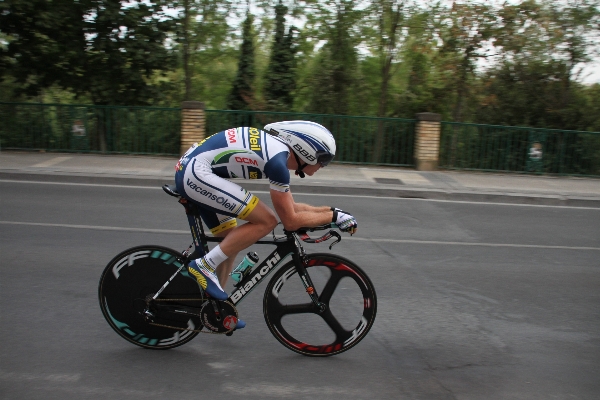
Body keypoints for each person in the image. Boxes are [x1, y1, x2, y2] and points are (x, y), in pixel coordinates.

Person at [174, 120, 358, 329]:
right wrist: (333, 219)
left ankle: (216, 308)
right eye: (322, 160)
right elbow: (289, 221)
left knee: (230, 240)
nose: (322, 167)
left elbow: (293, 207)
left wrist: (332, 213)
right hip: (196, 173)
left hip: (193, 169)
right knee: (268, 220)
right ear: (306, 150)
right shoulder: (277, 162)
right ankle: (204, 265)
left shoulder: (276, 151)